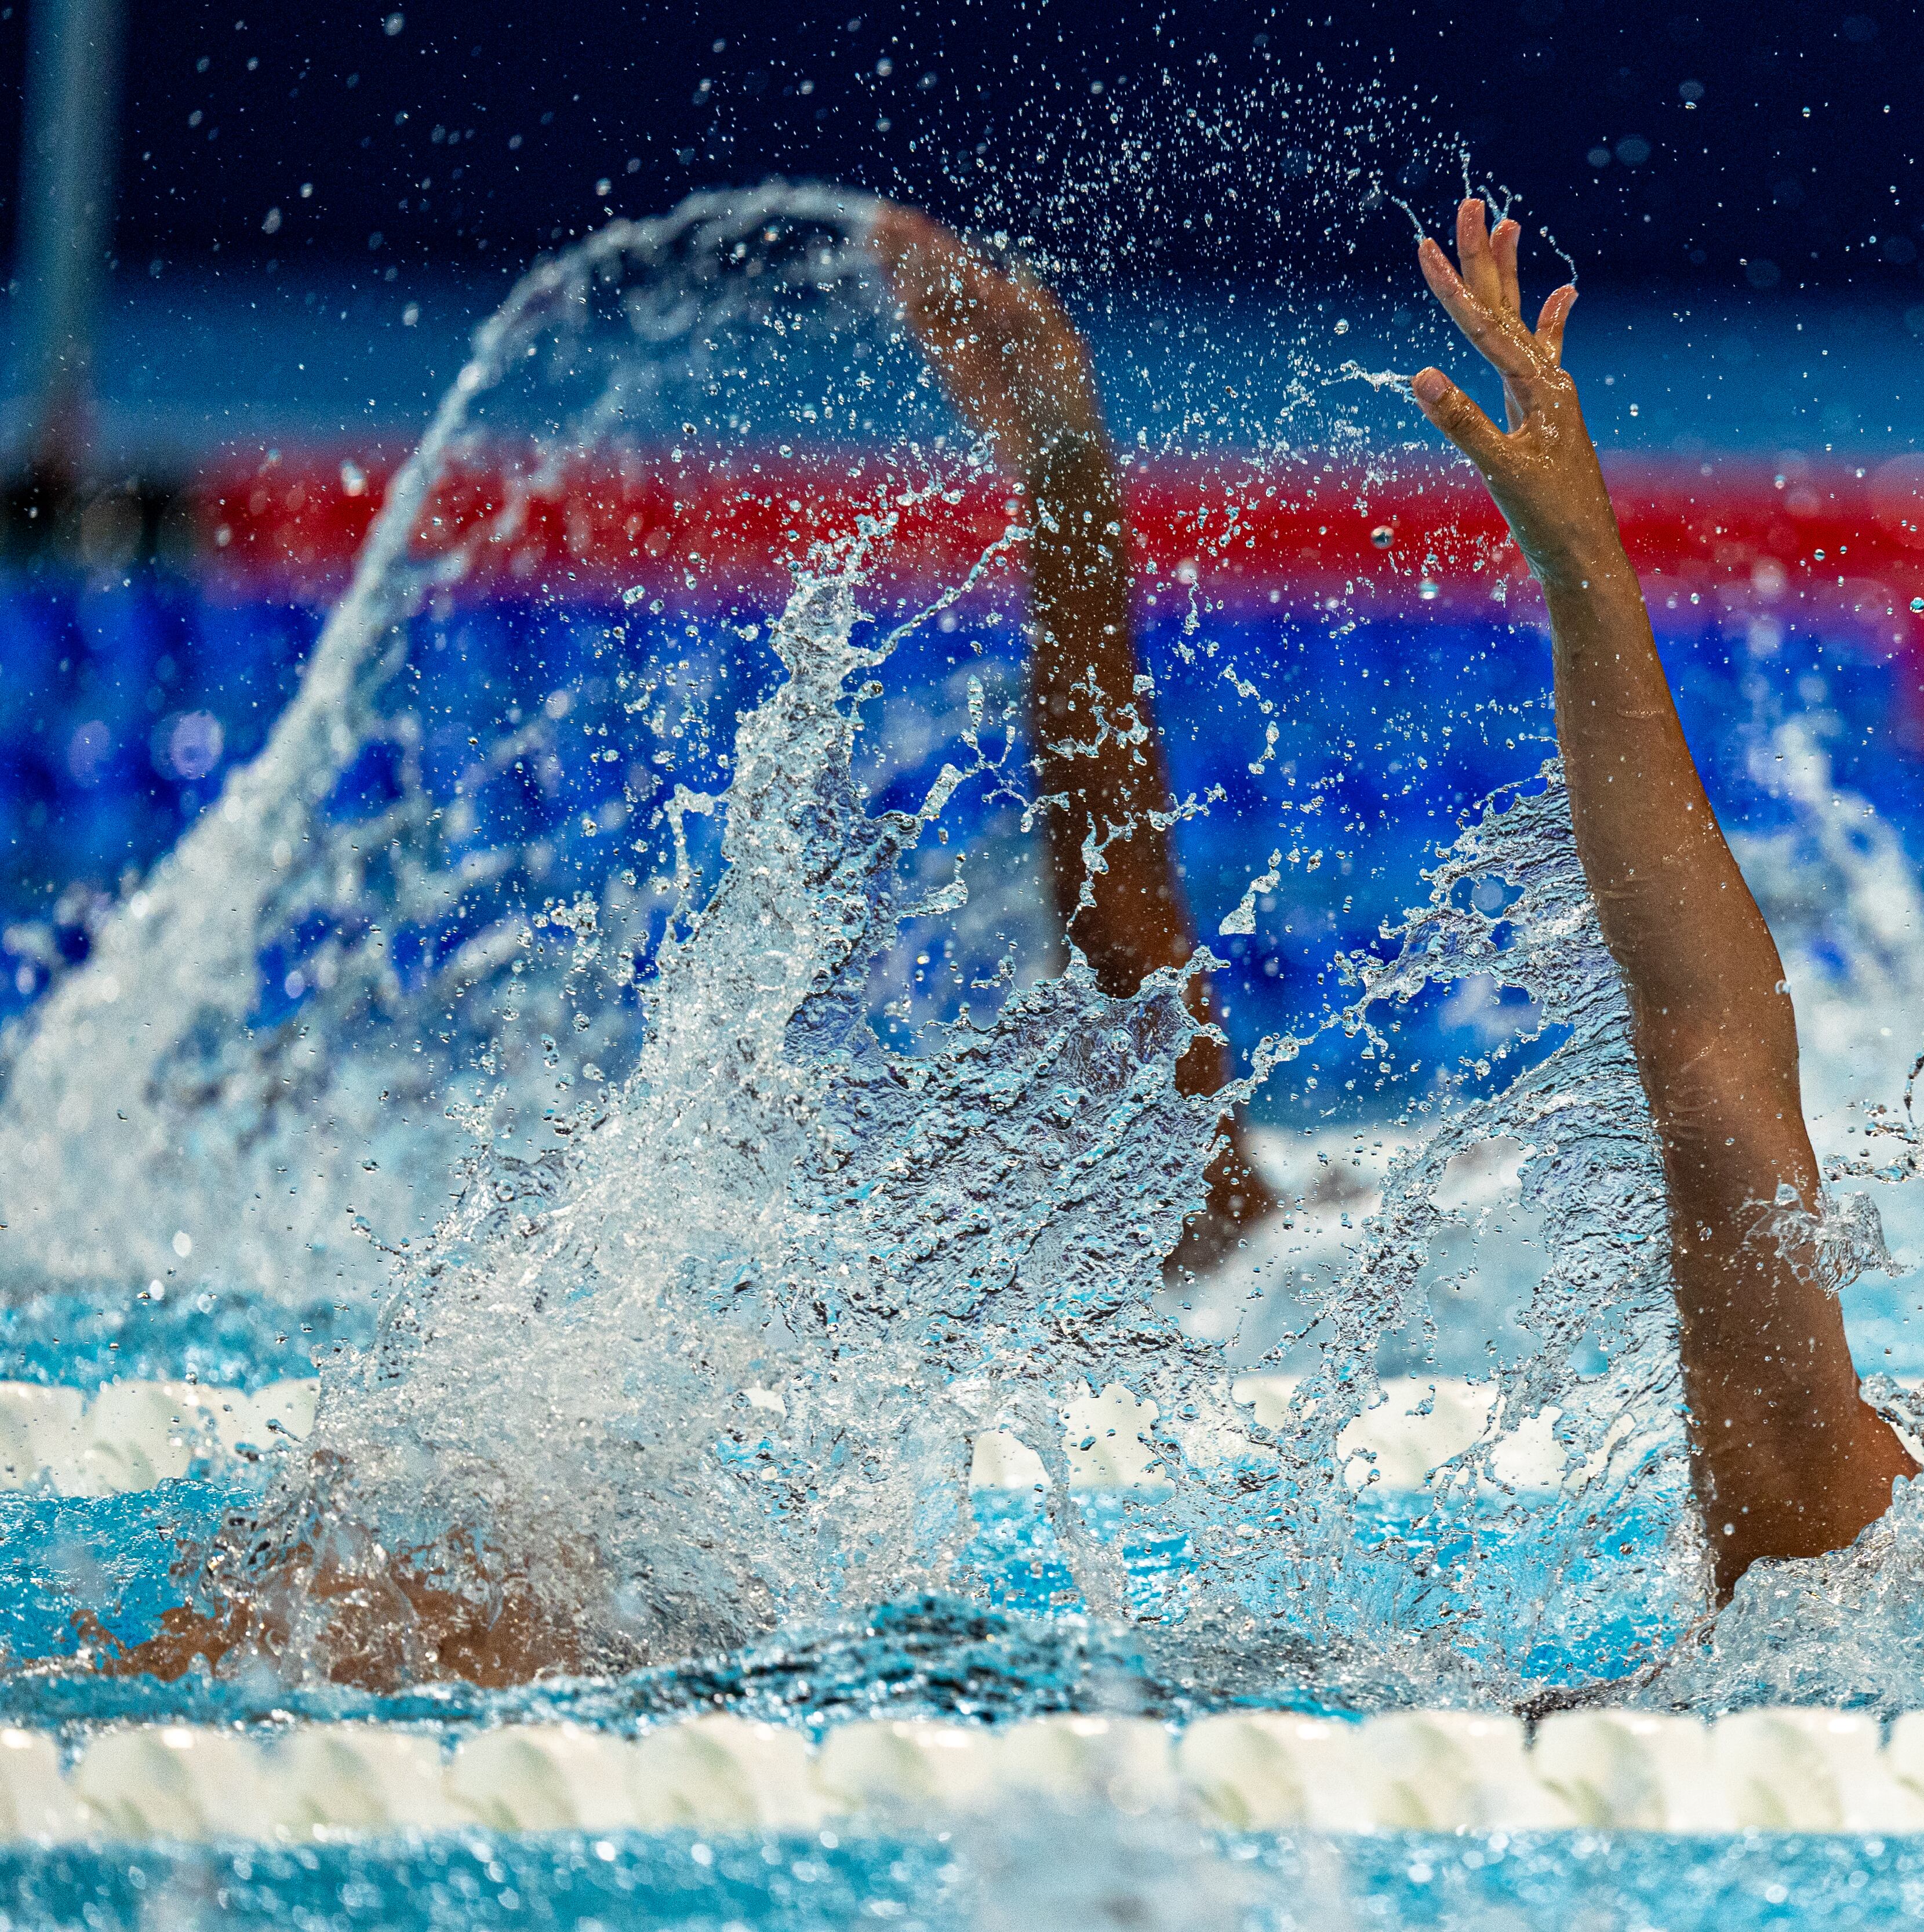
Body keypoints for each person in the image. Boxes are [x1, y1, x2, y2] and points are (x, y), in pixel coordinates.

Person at [90, 208, 1274, 1689]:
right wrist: (1066, 484)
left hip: (768, 1550)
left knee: (404, 1593)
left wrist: (1065, 480)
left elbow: (1137, 970)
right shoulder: (1292, 1250)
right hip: (821, 1589)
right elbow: (1139, 974)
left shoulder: (1255, 1231)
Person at [1405, 198, 1919, 1600]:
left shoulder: (1849, 1570)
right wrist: (1582, 567)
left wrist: (1584, 568)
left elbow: (1713, 1068)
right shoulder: (1848, 1556)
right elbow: (1710, 1071)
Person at [871, 208, 1275, 1272]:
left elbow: (1121, 892)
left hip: (1226, 1233)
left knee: (1126, 946)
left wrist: (1064, 464)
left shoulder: (1202, 1205)